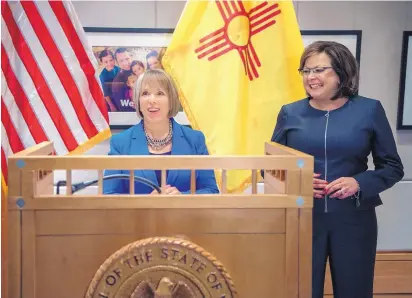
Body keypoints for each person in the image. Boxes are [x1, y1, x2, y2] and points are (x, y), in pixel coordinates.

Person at [267, 41, 404, 298]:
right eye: (306, 71)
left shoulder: (369, 110)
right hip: (302, 220)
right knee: (300, 292)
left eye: (319, 70)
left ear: (341, 72)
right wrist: (297, 184)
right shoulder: (290, 113)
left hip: (353, 219)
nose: (311, 77)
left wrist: (359, 183)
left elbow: (393, 167)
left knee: (355, 291)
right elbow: (271, 169)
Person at [103, 69, 219, 195]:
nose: (152, 100)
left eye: (160, 93)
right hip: (138, 215)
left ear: (171, 100)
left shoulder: (195, 139)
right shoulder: (120, 142)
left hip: (184, 214)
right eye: (145, 93)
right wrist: (145, 202)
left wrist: (183, 198)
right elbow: (108, 196)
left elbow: (211, 190)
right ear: (138, 101)